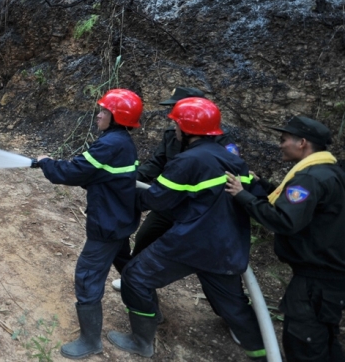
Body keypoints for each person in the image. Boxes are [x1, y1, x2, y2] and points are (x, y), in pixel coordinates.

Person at [107, 98, 267, 360]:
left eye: (176, 125)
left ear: (185, 129)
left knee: (134, 277)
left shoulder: (187, 161)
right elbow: (250, 197)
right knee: (235, 305)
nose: (175, 130)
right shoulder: (234, 161)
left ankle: (141, 340)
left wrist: (120, 192)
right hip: (228, 247)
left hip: (192, 242)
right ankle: (263, 354)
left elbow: (156, 199)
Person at [225, 115, 345, 362]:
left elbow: (284, 220)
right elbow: (302, 209)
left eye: (283, 140)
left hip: (315, 282)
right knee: (324, 339)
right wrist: (265, 187)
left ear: (302, 142)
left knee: (305, 344)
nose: (280, 145)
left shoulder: (310, 177)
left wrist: (241, 195)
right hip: (329, 279)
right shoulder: (330, 172)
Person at [35, 89, 142, 359]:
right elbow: (98, 175)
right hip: (121, 219)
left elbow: (74, 172)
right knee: (130, 270)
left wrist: (47, 163)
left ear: (116, 117)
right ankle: (149, 318)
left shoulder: (110, 144)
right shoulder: (123, 141)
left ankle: (90, 341)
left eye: (104, 111)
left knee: (87, 276)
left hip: (106, 224)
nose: (99, 114)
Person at [111, 86, 239, 292]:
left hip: (199, 211)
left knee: (206, 264)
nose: (172, 116)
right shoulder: (172, 134)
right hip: (169, 201)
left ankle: (230, 310)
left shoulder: (221, 144)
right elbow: (156, 162)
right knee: (145, 236)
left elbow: (230, 179)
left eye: (177, 108)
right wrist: (128, 181)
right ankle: (134, 281)